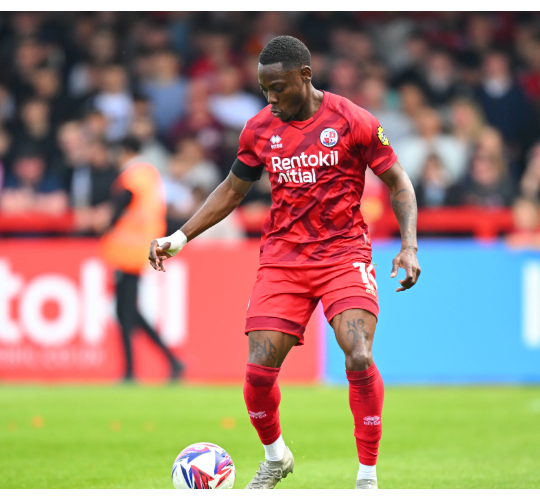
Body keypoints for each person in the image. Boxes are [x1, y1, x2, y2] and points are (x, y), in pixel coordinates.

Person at [148, 36, 421, 489]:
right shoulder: (258, 130)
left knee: (358, 354)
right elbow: (232, 190)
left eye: (278, 88)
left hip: (343, 253)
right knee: (257, 372)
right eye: (264, 90)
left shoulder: (353, 120)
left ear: (305, 76)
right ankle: (276, 456)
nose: (271, 99)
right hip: (283, 260)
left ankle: (367, 478)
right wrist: (180, 236)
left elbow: (399, 183)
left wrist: (408, 245)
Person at [100, 137, 184, 382]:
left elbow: (124, 200)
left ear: (125, 151)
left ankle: (130, 371)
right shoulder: (150, 175)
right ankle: (171, 361)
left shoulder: (134, 174)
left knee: (124, 310)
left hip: (129, 251)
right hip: (140, 249)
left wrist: (107, 219)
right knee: (127, 310)